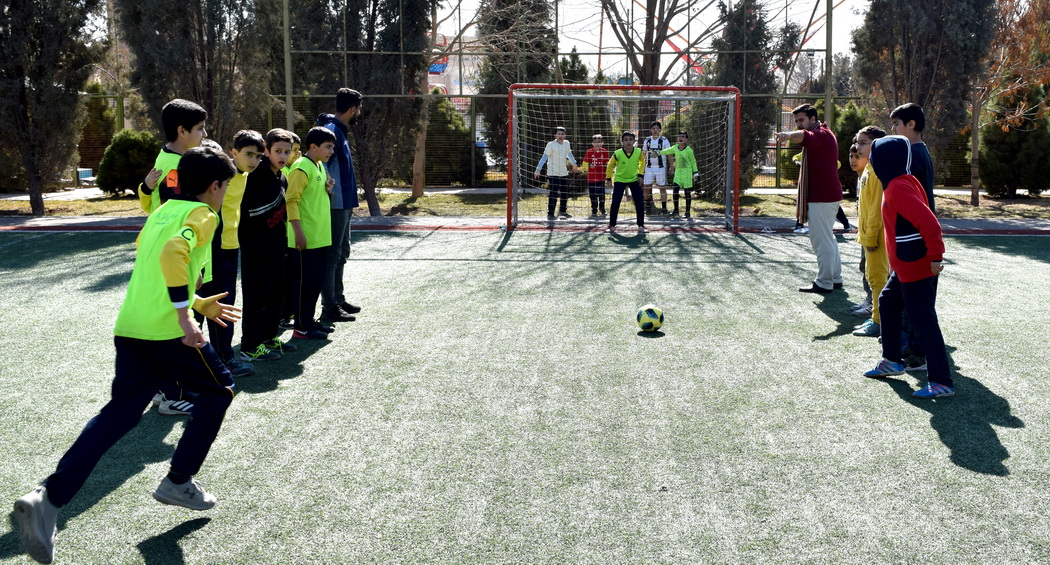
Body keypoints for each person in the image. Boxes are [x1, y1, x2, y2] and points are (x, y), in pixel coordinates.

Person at [13, 147, 240, 565]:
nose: (224, 194)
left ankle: (48, 498)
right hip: (167, 332)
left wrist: (196, 301)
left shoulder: (163, 210)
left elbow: (154, 261)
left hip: (132, 326)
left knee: (121, 413)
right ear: (215, 187)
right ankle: (178, 481)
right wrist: (184, 316)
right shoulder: (204, 216)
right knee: (220, 391)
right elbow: (174, 254)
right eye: (225, 187)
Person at [862, 135, 954, 399]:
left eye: (874, 156)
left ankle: (941, 381)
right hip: (905, 265)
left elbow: (930, 222)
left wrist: (936, 256)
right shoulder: (899, 182)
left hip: (917, 264)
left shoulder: (899, 187)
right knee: (888, 302)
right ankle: (892, 361)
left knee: (922, 321)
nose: (872, 161)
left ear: (883, 161)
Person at [193, 130, 266, 378]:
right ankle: (216, 360)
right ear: (233, 153)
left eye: (258, 156)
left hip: (229, 246)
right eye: (249, 155)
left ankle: (222, 357)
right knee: (210, 303)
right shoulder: (224, 174)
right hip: (211, 247)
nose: (254, 160)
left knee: (224, 302)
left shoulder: (244, 175)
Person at [238, 129, 297, 362]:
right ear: (267, 151)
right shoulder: (253, 176)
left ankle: (268, 336)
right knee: (256, 298)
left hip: (277, 247)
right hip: (255, 248)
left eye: (287, 152)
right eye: (278, 151)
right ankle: (249, 346)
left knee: (276, 294)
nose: (283, 156)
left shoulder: (282, 177)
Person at [778, 104, 843, 293]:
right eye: (797, 121)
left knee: (821, 240)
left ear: (813, 119)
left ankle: (824, 282)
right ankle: (835, 278)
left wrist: (787, 135)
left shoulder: (821, 134)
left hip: (823, 196)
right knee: (827, 238)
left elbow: (803, 137)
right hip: (825, 195)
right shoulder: (824, 133)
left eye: (801, 120)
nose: (799, 124)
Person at [316, 88, 364, 323]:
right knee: (333, 254)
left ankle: (338, 298)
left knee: (342, 252)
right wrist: (327, 186)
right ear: (353, 109)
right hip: (335, 205)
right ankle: (329, 306)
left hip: (344, 204)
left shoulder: (339, 131)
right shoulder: (333, 130)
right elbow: (321, 162)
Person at [286, 126, 337, 340]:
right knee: (304, 285)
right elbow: (291, 200)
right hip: (305, 238)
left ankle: (308, 321)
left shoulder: (318, 166)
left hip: (319, 237)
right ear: (313, 147)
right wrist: (298, 232)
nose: (331, 151)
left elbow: (313, 197)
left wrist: (328, 188)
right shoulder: (301, 167)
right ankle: (301, 327)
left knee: (314, 284)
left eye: (332, 147)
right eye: (327, 147)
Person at [137, 99, 208, 214]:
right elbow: (172, 212)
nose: (205, 133)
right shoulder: (174, 168)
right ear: (182, 131)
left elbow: (150, 204)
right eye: (200, 128)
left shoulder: (167, 156)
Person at [852, 126, 889, 338]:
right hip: (868, 233)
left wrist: (871, 235)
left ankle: (879, 321)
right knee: (872, 275)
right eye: (858, 142)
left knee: (877, 278)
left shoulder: (877, 171)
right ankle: (878, 316)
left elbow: (876, 208)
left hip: (876, 236)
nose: (858, 147)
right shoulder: (868, 168)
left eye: (863, 142)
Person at [890, 103, 935, 214]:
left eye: (896, 124)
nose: (892, 129)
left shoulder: (912, 153)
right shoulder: (920, 149)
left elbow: (903, 191)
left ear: (911, 124)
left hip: (916, 219)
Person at [604, 131, 647, 234]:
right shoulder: (617, 153)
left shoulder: (638, 152)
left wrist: (640, 175)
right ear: (622, 141)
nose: (628, 142)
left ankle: (641, 225)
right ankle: (611, 225)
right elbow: (610, 165)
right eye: (626, 140)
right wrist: (608, 178)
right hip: (620, 180)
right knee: (615, 202)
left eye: (630, 140)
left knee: (639, 202)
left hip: (634, 179)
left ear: (634, 141)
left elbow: (642, 162)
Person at [534, 126, 580, 219]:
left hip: (563, 173)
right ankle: (550, 213)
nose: (560, 136)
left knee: (565, 193)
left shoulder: (566, 143)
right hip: (553, 173)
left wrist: (574, 164)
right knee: (553, 193)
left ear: (565, 135)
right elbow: (544, 157)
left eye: (562, 134)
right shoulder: (550, 145)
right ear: (555, 135)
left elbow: (569, 154)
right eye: (558, 134)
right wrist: (538, 169)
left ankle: (563, 211)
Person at [659, 131, 699, 218]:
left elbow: (693, 162)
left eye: (683, 136)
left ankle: (687, 212)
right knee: (675, 191)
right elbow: (667, 151)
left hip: (687, 173)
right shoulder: (675, 147)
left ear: (686, 139)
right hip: (678, 173)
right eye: (679, 136)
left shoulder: (689, 150)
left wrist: (696, 172)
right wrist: (658, 152)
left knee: (687, 193)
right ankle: (676, 210)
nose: (681, 138)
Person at [641, 121, 671, 215]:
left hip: (661, 167)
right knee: (646, 186)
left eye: (657, 128)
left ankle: (664, 208)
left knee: (662, 187)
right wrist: (640, 166)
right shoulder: (647, 140)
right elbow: (644, 153)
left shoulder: (664, 140)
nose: (655, 130)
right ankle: (647, 206)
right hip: (649, 167)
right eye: (653, 128)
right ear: (650, 130)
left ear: (660, 130)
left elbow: (669, 153)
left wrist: (672, 166)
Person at [583, 134, 610, 216]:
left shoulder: (604, 152)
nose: (597, 144)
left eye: (599, 142)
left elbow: (608, 163)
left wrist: (608, 174)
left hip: (601, 178)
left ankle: (602, 209)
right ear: (592, 143)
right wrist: (589, 166)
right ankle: (594, 210)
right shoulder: (589, 152)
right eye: (595, 142)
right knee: (593, 195)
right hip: (591, 178)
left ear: (602, 143)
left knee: (602, 194)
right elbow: (584, 163)